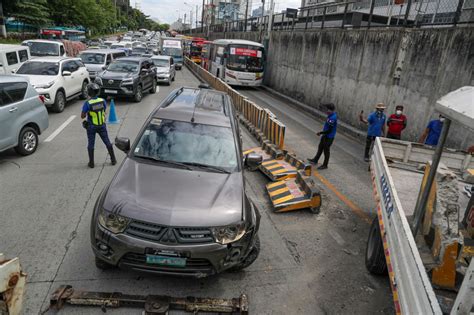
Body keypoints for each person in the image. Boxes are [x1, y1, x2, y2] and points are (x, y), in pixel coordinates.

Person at [81, 83, 116, 168]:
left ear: (89, 92)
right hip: (102, 125)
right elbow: (103, 109)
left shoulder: (88, 103)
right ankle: (113, 160)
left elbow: (82, 116)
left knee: (91, 144)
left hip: (91, 126)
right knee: (107, 142)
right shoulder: (102, 100)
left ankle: (91, 163)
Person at [307, 103, 337, 170]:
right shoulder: (330, 115)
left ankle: (325, 165)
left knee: (326, 151)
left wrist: (320, 132)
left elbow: (329, 130)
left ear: (330, 110)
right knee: (320, 147)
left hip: (329, 137)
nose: (325, 111)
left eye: (327, 110)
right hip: (325, 135)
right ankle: (315, 160)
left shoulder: (332, 118)